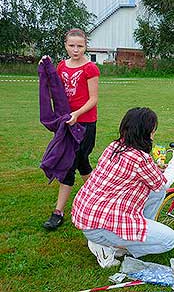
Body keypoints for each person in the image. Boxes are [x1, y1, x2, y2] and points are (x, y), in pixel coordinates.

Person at [72, 107, 174, 268]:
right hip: (100, 225)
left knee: (157, 193)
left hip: (87, 215)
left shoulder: (115, 146)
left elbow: (155, 184)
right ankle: (112, 247)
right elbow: (164, 183)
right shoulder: (139, 158)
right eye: (153, 131)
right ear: (146, 133)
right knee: (170, 240)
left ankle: (128, 237)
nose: (153, 135)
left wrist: (158, 169)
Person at [42, 28, 101, 230]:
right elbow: (57, 91)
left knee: (70, 163)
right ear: (65, 45)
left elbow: (93, 99)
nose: (76, 50)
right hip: (68, 123)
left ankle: (58, 212)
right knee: (81, 163)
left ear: (86, 46)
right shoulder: (61, 66)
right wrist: (47, 67)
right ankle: (100, 197)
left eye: (80, 46)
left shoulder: (90, 68)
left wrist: (77, 114)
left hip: (84, 123)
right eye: (71, 45)